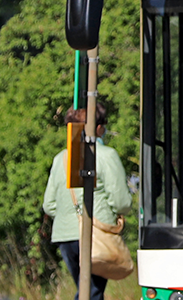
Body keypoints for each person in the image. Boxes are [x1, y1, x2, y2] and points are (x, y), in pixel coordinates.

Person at [42, 105, 132, 300]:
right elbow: (121, 201)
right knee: (91, 293)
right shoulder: (106, 155)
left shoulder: (61, 159)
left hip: (65, 236)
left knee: (87, 291)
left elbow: (49, 205)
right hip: (95, 233)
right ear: (97, 127)